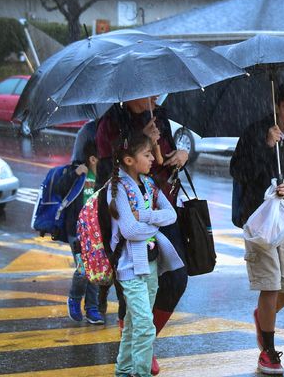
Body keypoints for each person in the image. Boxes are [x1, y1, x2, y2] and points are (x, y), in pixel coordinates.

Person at [95, 96, 190, 375]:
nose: (152, 98)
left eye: (154, 92)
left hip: (156, 216)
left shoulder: (158, 117)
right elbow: (128, 225)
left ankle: (137, 352)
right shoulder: (110, 124)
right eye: (145, 93)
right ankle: (140, 356)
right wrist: (140, 138)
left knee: (175, 279)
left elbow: (166, 208)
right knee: (137, 314)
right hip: (129, 248)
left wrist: (179, 155)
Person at [230, 82, 284, 375]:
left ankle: (263, 317)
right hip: (259, 221)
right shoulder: (256, 132)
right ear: (277, 107)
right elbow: (239, 172)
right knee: (270, 284)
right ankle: (268, 350)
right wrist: (265, 147)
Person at [108, 132, 184, 377]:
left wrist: (148, 218)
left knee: (133, 323)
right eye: (147, 154)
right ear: (129, 160)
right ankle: (139, 373)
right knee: (143, 327)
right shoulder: (117, 188)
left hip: (151, 265)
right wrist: (154, 224)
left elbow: (171, 215)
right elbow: (129, 230)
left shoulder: (149, 185)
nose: (153, 158)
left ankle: (123, 370)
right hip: (129, 267)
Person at [57, 139, 104, 325]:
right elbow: (60, 189)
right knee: (83, 270)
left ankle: (92, 308)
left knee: (95, 270)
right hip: (76, 232)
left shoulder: (104, 178)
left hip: (97, 233)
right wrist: (74, 174)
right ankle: (75, 298)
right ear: (93, 159)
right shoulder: (78, 174)